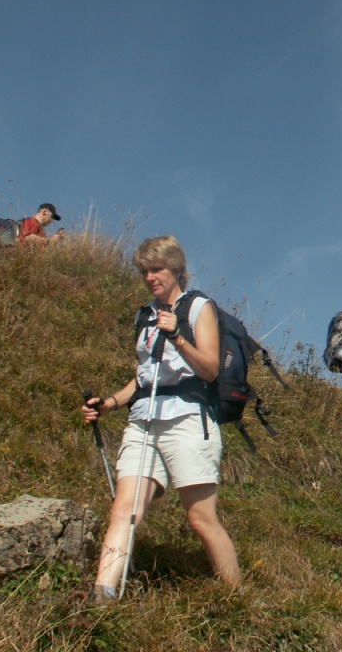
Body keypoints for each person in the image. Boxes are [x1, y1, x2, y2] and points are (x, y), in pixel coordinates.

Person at [82, 236, 239, 601]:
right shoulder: (145, 315)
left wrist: (178, 337)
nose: (150, 277)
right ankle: (102, 595)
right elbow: (144, 377)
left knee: (201, 519)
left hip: (188, 419)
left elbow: (210, 370)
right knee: (125, 510)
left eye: (157, 269)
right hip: (144, 421)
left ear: (177, 270)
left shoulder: (198, 307)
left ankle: (236, 597)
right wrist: (109, 404)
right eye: (144, 271)